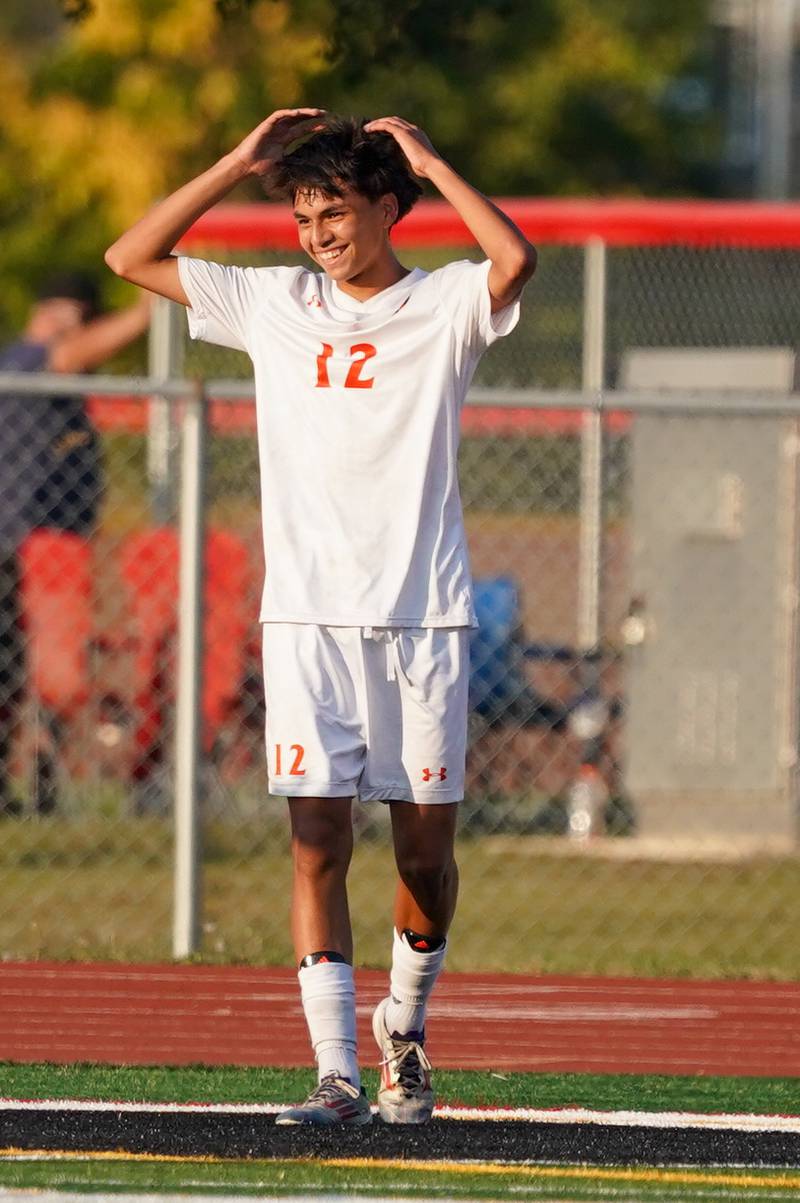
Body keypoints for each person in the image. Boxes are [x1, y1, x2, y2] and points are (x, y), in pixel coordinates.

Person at [105, 109, 536, 1126]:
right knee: (314, 844)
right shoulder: (272, 302)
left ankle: (405, 1033)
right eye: (301, 215)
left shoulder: (442, 306)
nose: (316, 234)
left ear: (387, 209)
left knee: (423, 851)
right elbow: (130, 255)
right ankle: (334, 1072)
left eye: (333, 211)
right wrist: (236, 164)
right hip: (305, 621)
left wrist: (431, 157)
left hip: (423, 618)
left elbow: (513, 257)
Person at [0, 274, 151, 815]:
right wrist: (141, 315)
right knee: (44, 674)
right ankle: (28, 775)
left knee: (35, 675)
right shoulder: (26, 363)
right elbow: (65, 354)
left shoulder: (55, 385)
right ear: (62, 318)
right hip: (29, 547)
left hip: (47, 549)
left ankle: (37, 776)